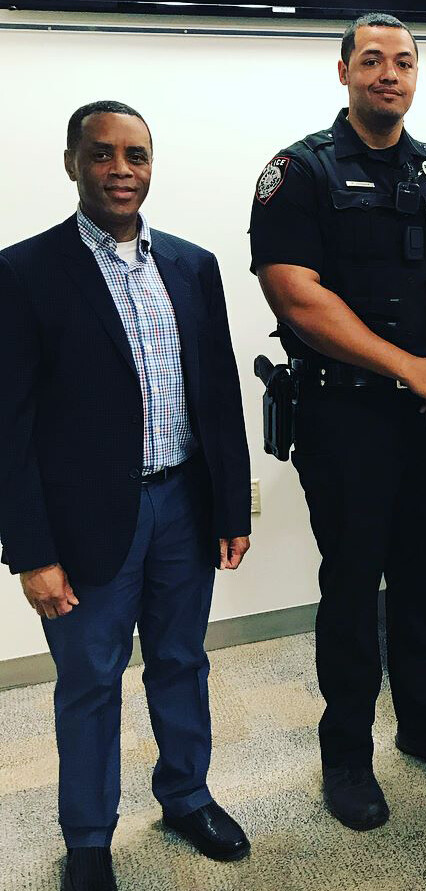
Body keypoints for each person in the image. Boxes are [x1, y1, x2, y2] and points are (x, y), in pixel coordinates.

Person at [249, 14, 426, 831]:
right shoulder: (300, 172)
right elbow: (295, 292)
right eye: (372, 60)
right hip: (347, 417)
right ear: (343, 72)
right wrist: (411, 368)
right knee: (353, 585)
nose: (388, 74)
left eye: (402, 62)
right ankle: (347, 754)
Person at [0, 101, 252, 891]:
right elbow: (9, 426)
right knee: (90, 680)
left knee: (181, 659)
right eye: (102, 155)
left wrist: (231, 506)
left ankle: (185, 794)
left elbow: (217, 395)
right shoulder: (24, 272)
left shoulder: (191, 263)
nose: (120, 170)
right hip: (86, 521)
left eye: (135, 155)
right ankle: (87, 839)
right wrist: (30, 551)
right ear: (72, 163)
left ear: (151, 165)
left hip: (182, 504)